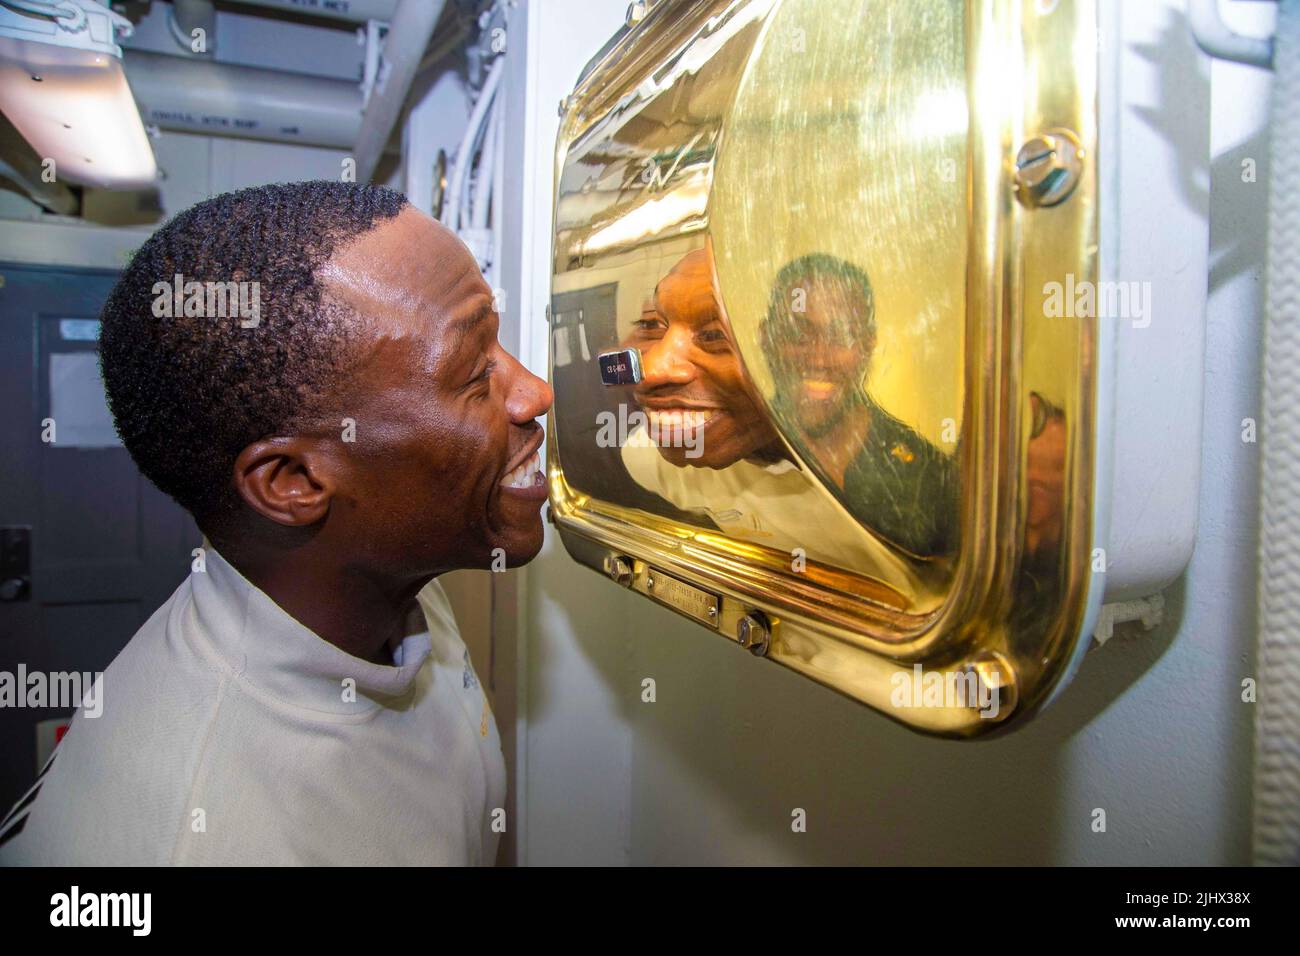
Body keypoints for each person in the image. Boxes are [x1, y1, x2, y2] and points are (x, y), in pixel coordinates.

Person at [0, 181, 552, 865]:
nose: (534, 393)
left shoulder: (377, 578)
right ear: (294, 483)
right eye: (476, 375)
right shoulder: (201, 839)